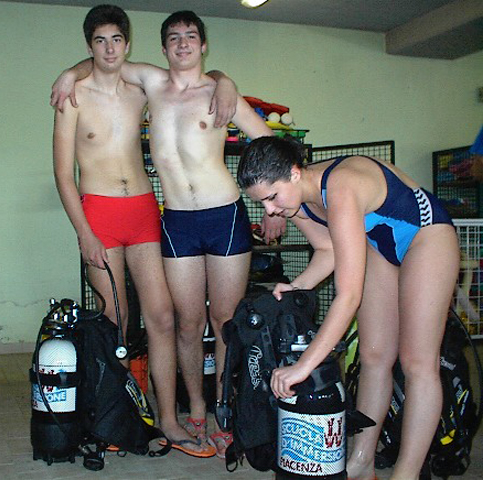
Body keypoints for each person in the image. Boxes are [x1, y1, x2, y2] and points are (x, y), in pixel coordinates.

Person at [52, 9, 275, 459]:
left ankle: (194, 415)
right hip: (133, 215)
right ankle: (122, 414)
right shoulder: (120, 88)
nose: (110, 48)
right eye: (174, 37)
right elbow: (64, 167)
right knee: (127, 320)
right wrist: (68, 72)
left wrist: (225, 80)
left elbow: (266, 140)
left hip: (163, 211)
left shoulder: (167, 89)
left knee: (183, 320)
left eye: (118, 39)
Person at [237, 136, 459, 479]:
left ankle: (407, 473)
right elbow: (327, 250)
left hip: (426, 236)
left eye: (272, 197)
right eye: (261, 203)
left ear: (294, 173)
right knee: (373, 356)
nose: (270, 211)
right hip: (381, 245)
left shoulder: (339, 188)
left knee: (417, 362)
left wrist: (304, 366)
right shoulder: (297, 199)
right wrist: (297, 286)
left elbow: (348, 296)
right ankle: (362, 461)